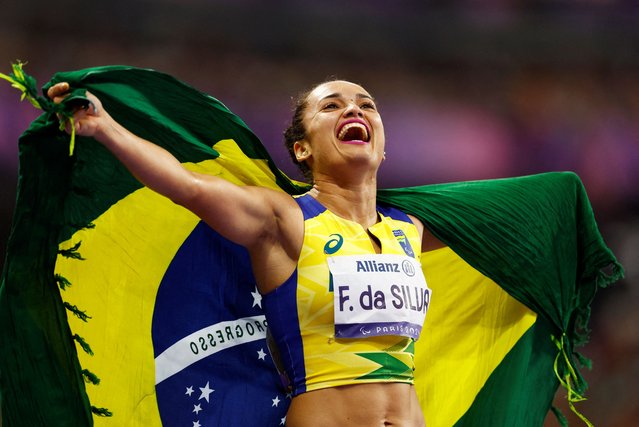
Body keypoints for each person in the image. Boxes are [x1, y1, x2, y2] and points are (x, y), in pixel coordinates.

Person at [48, 79, 446, 426]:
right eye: (331, 106)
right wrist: (105, 127)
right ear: (302, 149)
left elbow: (502, 220)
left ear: (383, 146)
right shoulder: (285, 220)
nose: (353, 109)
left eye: (366, 105)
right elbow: (187, 186)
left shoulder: (409, 229)